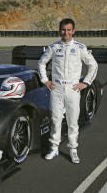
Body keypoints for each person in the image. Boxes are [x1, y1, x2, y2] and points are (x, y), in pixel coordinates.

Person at [38, 18, 98, 164]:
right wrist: (45, 80)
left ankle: (73, 149)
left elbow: (93, 65)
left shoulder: (80, 48)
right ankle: (54, 148)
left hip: (72, 89)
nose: (66, 32)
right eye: (64, 30)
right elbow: (41, 63)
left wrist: (85, 82)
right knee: (56, 119)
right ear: (60, 31)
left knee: (72, 121)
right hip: (56, 88)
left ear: (73, 31)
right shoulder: (54, 47)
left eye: (69, 30)